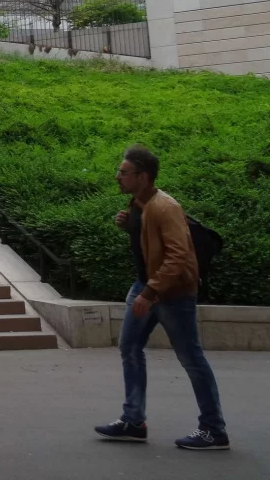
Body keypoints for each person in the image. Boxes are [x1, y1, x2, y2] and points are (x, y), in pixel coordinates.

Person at [94, 145, 229, 450]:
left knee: (191, 358)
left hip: (170, 294)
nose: (118, 177)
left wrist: (151, 292)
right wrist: (129, 226)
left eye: (124, 172)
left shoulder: (165, 207)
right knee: (129, 347)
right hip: (145, 286)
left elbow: (178, 255)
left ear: (143, 176)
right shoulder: (140, 204)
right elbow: (150, 244)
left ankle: (213, 429)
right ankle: (133, 420)